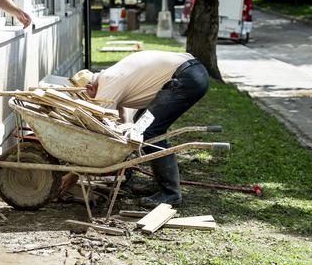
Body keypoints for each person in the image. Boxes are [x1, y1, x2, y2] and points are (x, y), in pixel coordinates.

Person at [70, 50, 210, 207]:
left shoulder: (107, 82)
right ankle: (160, 185)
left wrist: (74, 174)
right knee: (141, 124)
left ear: (89, 87)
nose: (89, 101)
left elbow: (101, 127)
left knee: (150, 131)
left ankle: (171, 193)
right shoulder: (110, 76)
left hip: (186, 78)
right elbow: (120, 118)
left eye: (86, 98)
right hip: (191, 72)